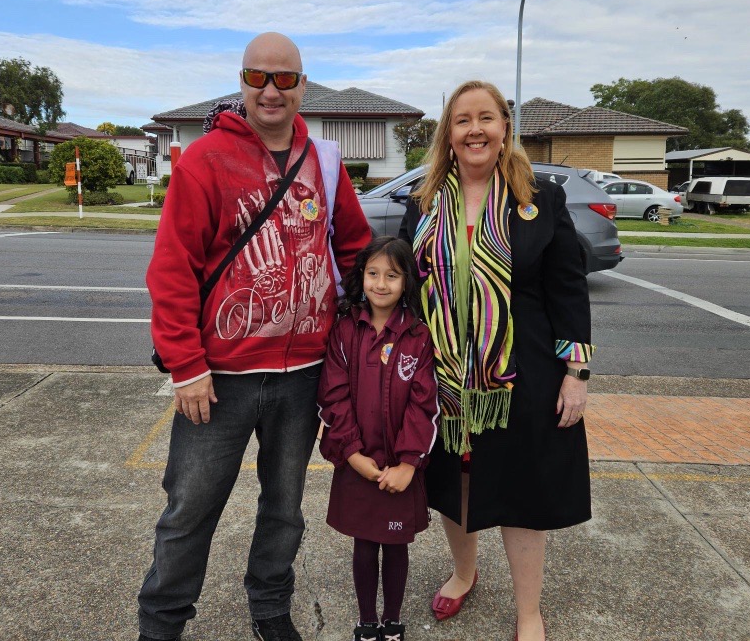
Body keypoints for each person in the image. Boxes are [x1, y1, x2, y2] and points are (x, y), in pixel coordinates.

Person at [138, 32, 372, 641]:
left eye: (285, 79)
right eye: (257, 76)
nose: (270, 90)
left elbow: (354, 248)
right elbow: (172, 269)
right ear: (241, 81)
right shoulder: (205, 159)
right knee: (190, 510)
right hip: (219, 379)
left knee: (285, 511)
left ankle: (270, 609)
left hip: (303, 375)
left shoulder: (323, 160)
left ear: (302, 85)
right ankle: (161, 624)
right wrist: (186, 366)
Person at [398, 80, 593, 641]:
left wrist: (576, 374)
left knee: (522, 491)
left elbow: (568, 291)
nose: (475, 129)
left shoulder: (540, 200)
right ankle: (464, 572)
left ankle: (529, 611)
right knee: (453, 484)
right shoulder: (426, 202)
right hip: (443, 377)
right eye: (463, 120)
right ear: (449, 134)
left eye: (487, 118)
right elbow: (412, 286)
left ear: (506, 128)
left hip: (522, 375)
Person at [317, 236, 439, 641]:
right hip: (358, 462)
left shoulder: (419, 337)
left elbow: (425, 405)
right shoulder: (345, 330)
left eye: (392, 275)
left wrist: (408, 464)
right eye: (373, 274)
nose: (381, 283)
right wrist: (351, 454)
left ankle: (392, 620)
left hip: (400, 467)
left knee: (397, 543)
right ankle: (367, 620)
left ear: (407, 282)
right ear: (361, 277)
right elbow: (333, 396)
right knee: (365, 544)